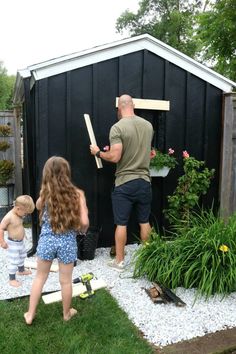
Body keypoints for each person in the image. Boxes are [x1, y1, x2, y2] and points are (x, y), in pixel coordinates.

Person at [90, 94, 153, 271]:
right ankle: (149, 259)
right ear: (132, 105)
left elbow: (115, 156)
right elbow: (146, 151)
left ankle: (119, 261)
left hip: (125, 182)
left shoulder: (117, 128)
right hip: (145, 181)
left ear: (119, 108)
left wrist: (98, 153)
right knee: (144, 221)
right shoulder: (148, 126)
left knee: (122, 223)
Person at [24, 156, 89, 325]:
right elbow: (84, 223)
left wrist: (44, 194)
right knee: (66, 280)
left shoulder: (45, 194)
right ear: (67, 173)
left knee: (40, 277)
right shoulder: (78, 194)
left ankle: (30, 314)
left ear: (47, 174)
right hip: (67, 241)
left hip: (47, 240)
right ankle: (67, 314)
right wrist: (82, 230)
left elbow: (37, 207)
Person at [0, 195, 35, 287]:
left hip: (20, 242)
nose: (25, 215)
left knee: (22, 256)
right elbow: (1, 228)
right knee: (14, 261)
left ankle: (21, 270)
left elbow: (18, 226)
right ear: (18, 208)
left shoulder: (18, 214)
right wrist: (2, 241)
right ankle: (12, 279)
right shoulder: (9, 217)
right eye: (25, 213)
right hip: (13, 243)